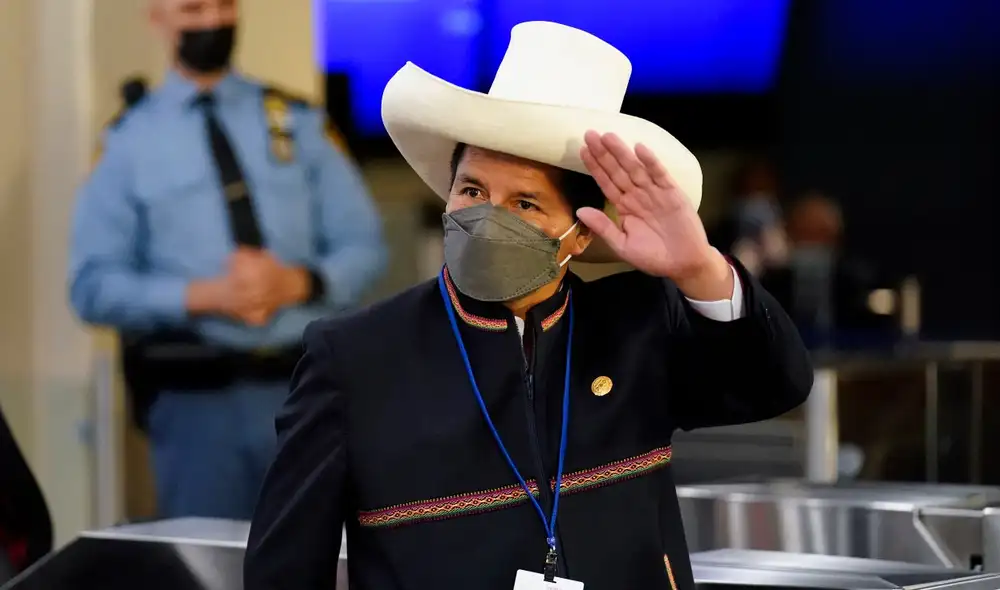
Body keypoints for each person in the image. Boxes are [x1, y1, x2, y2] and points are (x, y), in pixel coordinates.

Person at [244, 22, 811, 590]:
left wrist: (700, 269)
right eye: (472, 191)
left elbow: (774, 385)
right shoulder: (355, 358)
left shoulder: (637, 326)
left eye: (525, 203)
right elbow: (284, 569)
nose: (488, 219)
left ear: (581, 234)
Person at [68, 0, 386, 520]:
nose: (213, 22)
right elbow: (92, 286)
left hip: (305, 389)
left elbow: (365, 246)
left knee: (322, 551)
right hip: (196, 405)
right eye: (193, 9)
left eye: (224, 6)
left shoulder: (297, 122)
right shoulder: (128, 141)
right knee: (211, 555)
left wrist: (298, 282)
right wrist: (206, 296)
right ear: (157, 18)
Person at [707, 158, 788, 276]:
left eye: (762, 190)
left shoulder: (788, 231)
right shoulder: (718, 234)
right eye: (751, 192)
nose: (757, 201)